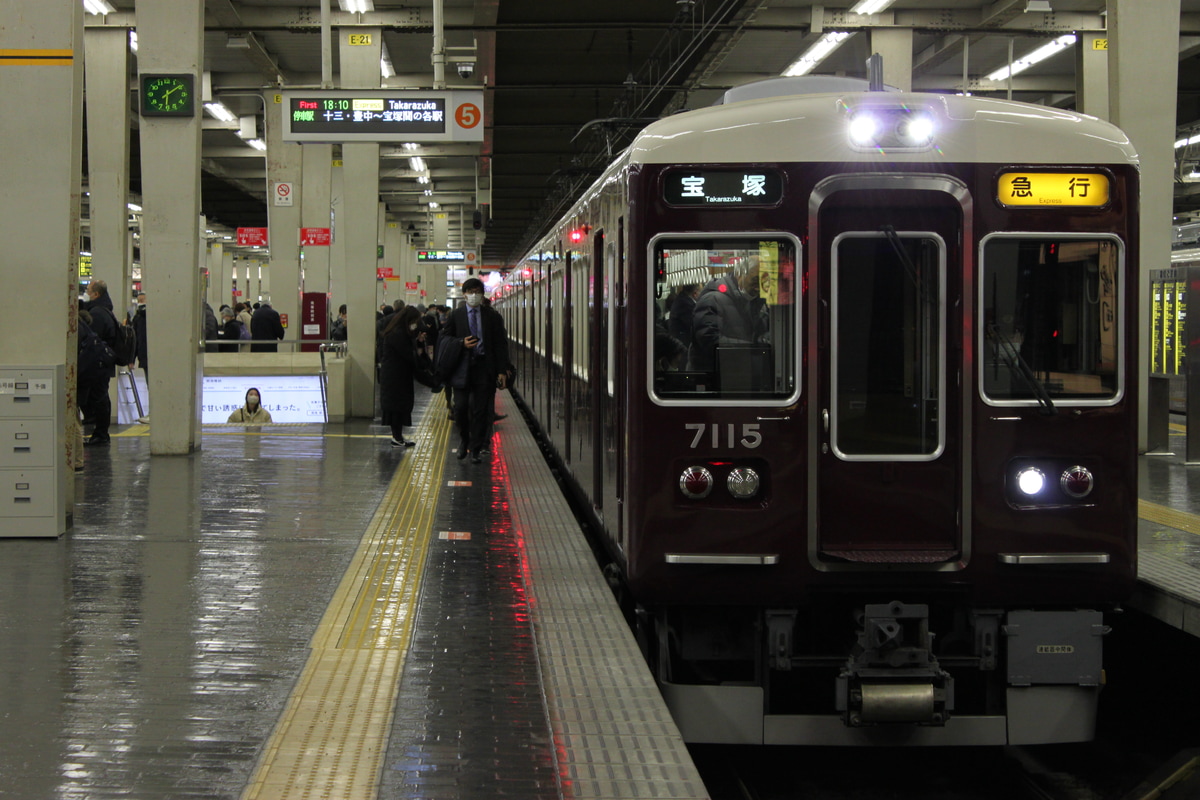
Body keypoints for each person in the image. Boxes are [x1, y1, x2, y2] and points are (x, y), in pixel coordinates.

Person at [438, 278, 510, 464]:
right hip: (461, 369)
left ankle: (476, 448)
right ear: (464, 294)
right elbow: (444, 339)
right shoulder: (456, 315)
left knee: (480, 411)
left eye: (477, 291)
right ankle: (464, 440)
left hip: (484, 368)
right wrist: (461, 343)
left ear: (482, 294)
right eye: (470, 291)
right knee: (460, 408)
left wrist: (502, 370)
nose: (474, 295)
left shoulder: (492, 316)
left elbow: (500, 344)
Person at [378, 306, 438, 448]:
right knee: (396, 408)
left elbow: (414, 358)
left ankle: (398, 438)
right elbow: (411, 358)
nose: (416, 325)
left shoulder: (401, 333)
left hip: (399, 376)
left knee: (400, 407)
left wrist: (418, 343)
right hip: (394, 378)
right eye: (415, 321)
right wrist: (431, 381)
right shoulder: (397, 334)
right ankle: (397, 438)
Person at [81, 282, 120, 445]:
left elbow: (92, 341)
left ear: (96, 294)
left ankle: (101, 433)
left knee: (99, 397)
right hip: (104, 362)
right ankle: (100, 431)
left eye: (88, 291)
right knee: (100, 396)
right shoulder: (105, 310)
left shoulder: (96, 313)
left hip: (98, 364)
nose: (86, 294)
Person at [668, 283, 700, 350]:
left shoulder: (681, 300)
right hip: (684, 344)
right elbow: (694, 324)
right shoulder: (686, 304)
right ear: (695, 292)